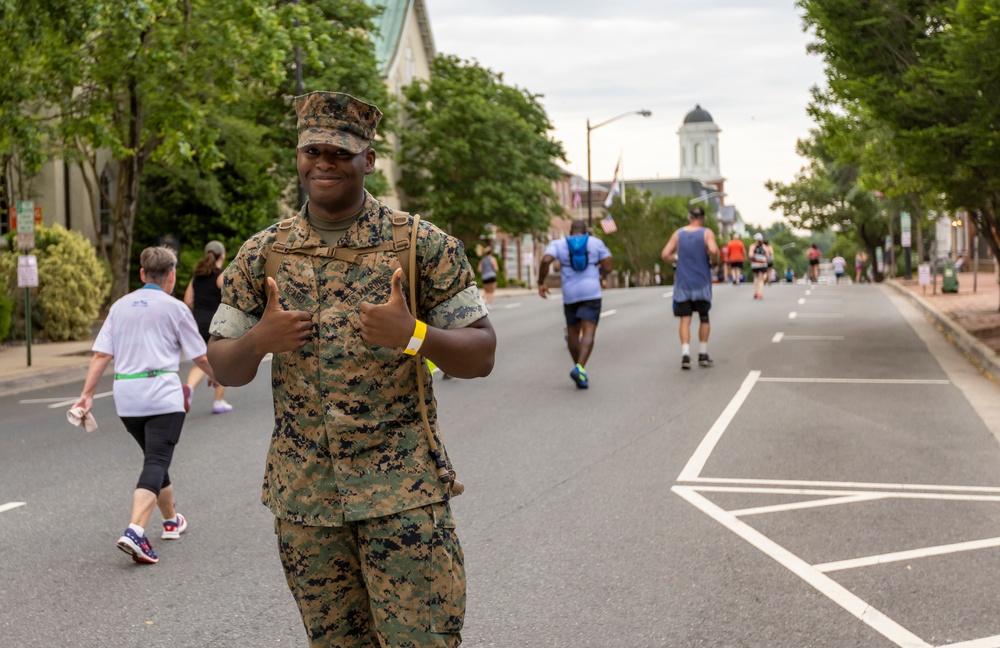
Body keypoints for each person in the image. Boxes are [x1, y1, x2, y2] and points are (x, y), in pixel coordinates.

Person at [207, 91, 496, 648]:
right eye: (312, 150)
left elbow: (482, 353)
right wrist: (261, 339)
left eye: (340, 152)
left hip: (403, 496)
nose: (324, 162)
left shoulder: (422, 245)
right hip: (306, 502)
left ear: (368, 158)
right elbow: (223, 363)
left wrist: (413, 334)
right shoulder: (263, 253)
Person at [72, 246, 217, 564]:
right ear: (172, 275)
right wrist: (218, 377)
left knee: (156, 459)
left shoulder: (119, 307)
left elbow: (100, 356)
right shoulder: (175, 308)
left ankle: (171, 521)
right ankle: (136, 531)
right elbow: (200, 356)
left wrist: (87, 394)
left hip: (127, 398)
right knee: (155, 461)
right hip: (162, 395)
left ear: (141, 274)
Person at [537, 219, 613, 389]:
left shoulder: (559, 244)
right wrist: (601, 275)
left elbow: (545, 260)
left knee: (572, 332)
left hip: (570, 294)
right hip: (591, 292)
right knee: (589, 332)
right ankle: (580, 367)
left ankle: (579, 368)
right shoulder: (595, 243)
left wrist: (541, 282)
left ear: (570, 231)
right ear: (586, 231)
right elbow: (608, 265)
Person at [661, 206, 719, 369]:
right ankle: (703, 353)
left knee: (685, 319)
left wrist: (677, 260)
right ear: (703, 219)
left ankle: (685, 354)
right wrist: (713, 262)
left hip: (683, 282)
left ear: (689, 217)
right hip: (701, 282)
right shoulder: (706, 233)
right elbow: (714, 250)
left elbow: (665, 254)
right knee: (704, 317)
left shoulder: (678, 234)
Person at [184, 240, 233, 413]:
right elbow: (231, 298)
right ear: (222, 256)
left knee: (202, 360)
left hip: (198, 323)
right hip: (216, 324)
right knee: (222, 362)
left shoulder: (196, 278)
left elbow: (188, 301)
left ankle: (188, 388)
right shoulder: (221, 276)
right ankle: (218, 401)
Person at [749, 233, 772, 300]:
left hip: (755, 264)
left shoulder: (753, 246)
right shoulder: (764, 246)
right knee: (761, 279)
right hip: (762, 264)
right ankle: (760, 292)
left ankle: (756, 290)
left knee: (756, 277)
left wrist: (753, 258)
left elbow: (750, 255)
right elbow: (768, 255)